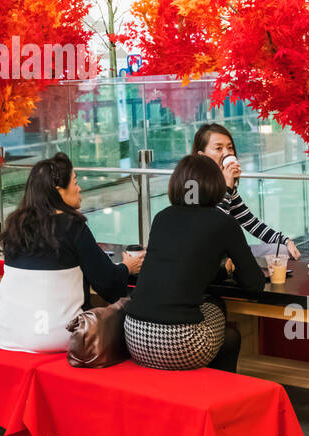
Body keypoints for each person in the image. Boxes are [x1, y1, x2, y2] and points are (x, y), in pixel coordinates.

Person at [124, 155, 267, 372]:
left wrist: (216, 271)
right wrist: (231, 270)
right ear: (215, 186)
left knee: (229, 338)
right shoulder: (223, 223)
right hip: (179, 343)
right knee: (216, 307)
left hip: (134, 335)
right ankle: (215, 396)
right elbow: (254, 284)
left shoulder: (162, 218)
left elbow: (183, 265)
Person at [0, 153, 143, 353]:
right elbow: (109, 285)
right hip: (57, 335)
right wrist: (127, 267)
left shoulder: (15, 226)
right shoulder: (73, 226)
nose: (79, 188)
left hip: (6, 332)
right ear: (58, 192)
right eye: (75, 182)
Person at [193, 123, 300, 258]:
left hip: (228, 253)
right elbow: (212, 229)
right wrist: (227, 188)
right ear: (202, 156)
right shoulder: (192, 186)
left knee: (283, 251)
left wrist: (284, 240)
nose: (226, 153)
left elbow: (251, 222)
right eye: (218, 148)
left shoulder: (227, 187)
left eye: (230, 148)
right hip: (204, 258)